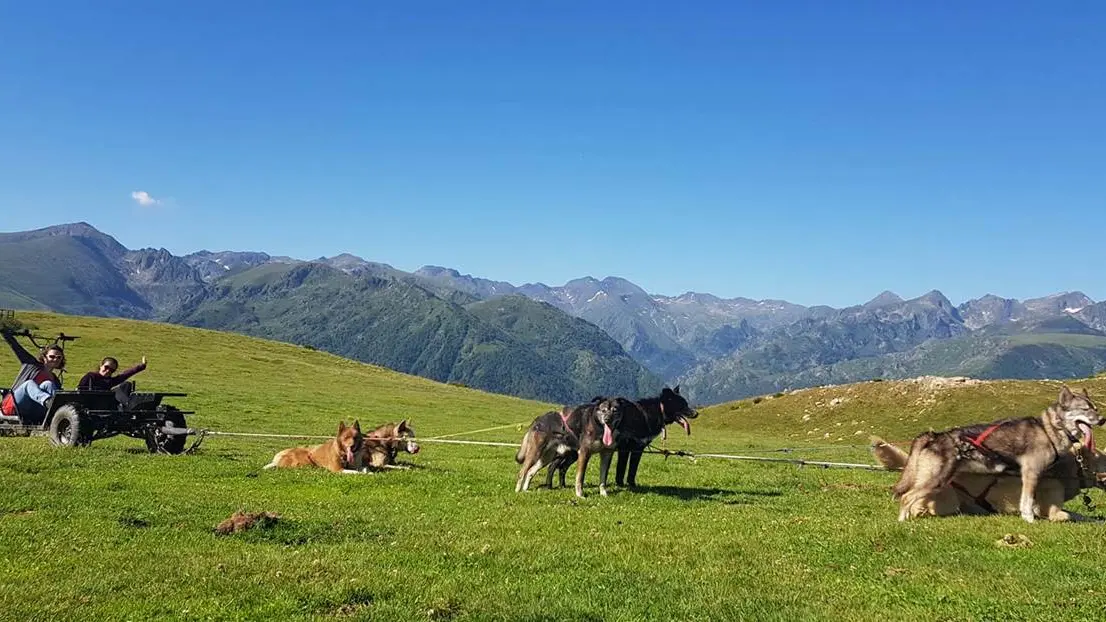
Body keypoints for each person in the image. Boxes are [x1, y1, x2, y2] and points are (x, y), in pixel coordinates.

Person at [1, 331, 65, 421]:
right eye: (52, 356)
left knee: (48, 384)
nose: (55, 359)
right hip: (16, 404)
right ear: (44, 357)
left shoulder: (55, 380)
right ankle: (48, 401)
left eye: (59, 357)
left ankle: (59, 411)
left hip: (34, 409)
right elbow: (16, 347)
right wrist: (5, 331)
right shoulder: (31, 365)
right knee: (29, 383)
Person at [78, 355, 149, 409]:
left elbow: (125, 374)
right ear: (101, 366)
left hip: (106, 405)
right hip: (90, 405)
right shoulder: (90, 376)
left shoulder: (110, 381)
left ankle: (131, 407)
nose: (108, 371)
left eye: (112, 370)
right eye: (106, 367)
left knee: (126, 385)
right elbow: (79, 391)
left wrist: (142, 366)